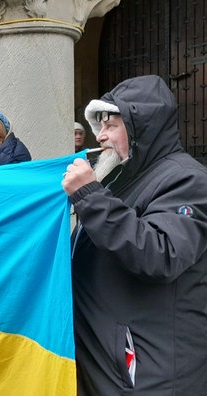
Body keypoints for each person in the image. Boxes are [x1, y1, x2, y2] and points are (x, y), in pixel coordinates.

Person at [61, 75, 207, 394]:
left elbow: (160, 253)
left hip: (149, 373)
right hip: (111, 369)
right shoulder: (120, 182)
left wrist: (89, 196)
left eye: (111, 125)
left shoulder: (187, 180)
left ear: (142, 126)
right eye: (99, 125)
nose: (100, 136)